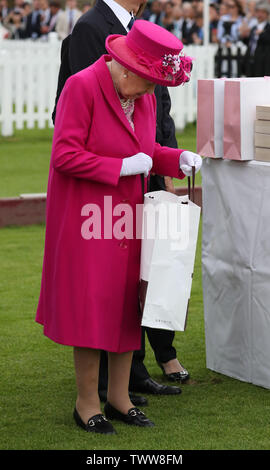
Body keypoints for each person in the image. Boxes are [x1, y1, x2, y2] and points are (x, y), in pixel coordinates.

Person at [36, 18, 202, 434]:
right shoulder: (82, 86)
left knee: (129, 306)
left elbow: (148, 149)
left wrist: (175, 158)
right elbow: (64, 155)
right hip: (87, 217)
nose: (151, 92)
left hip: (127, 217)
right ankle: (86, 403)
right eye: (147, 82)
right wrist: (121, 167)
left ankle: (120, 398)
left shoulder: (139, 94)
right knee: (92, 309)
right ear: (125, 67)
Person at [243, 1, 270, 76]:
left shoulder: (268, 28)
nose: (260, 15)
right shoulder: (253, 28)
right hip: (251, 60)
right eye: (258, 12)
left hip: (263, 63)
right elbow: (249, 43)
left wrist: (262, 34)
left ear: (267, 14)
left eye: (263, 12)